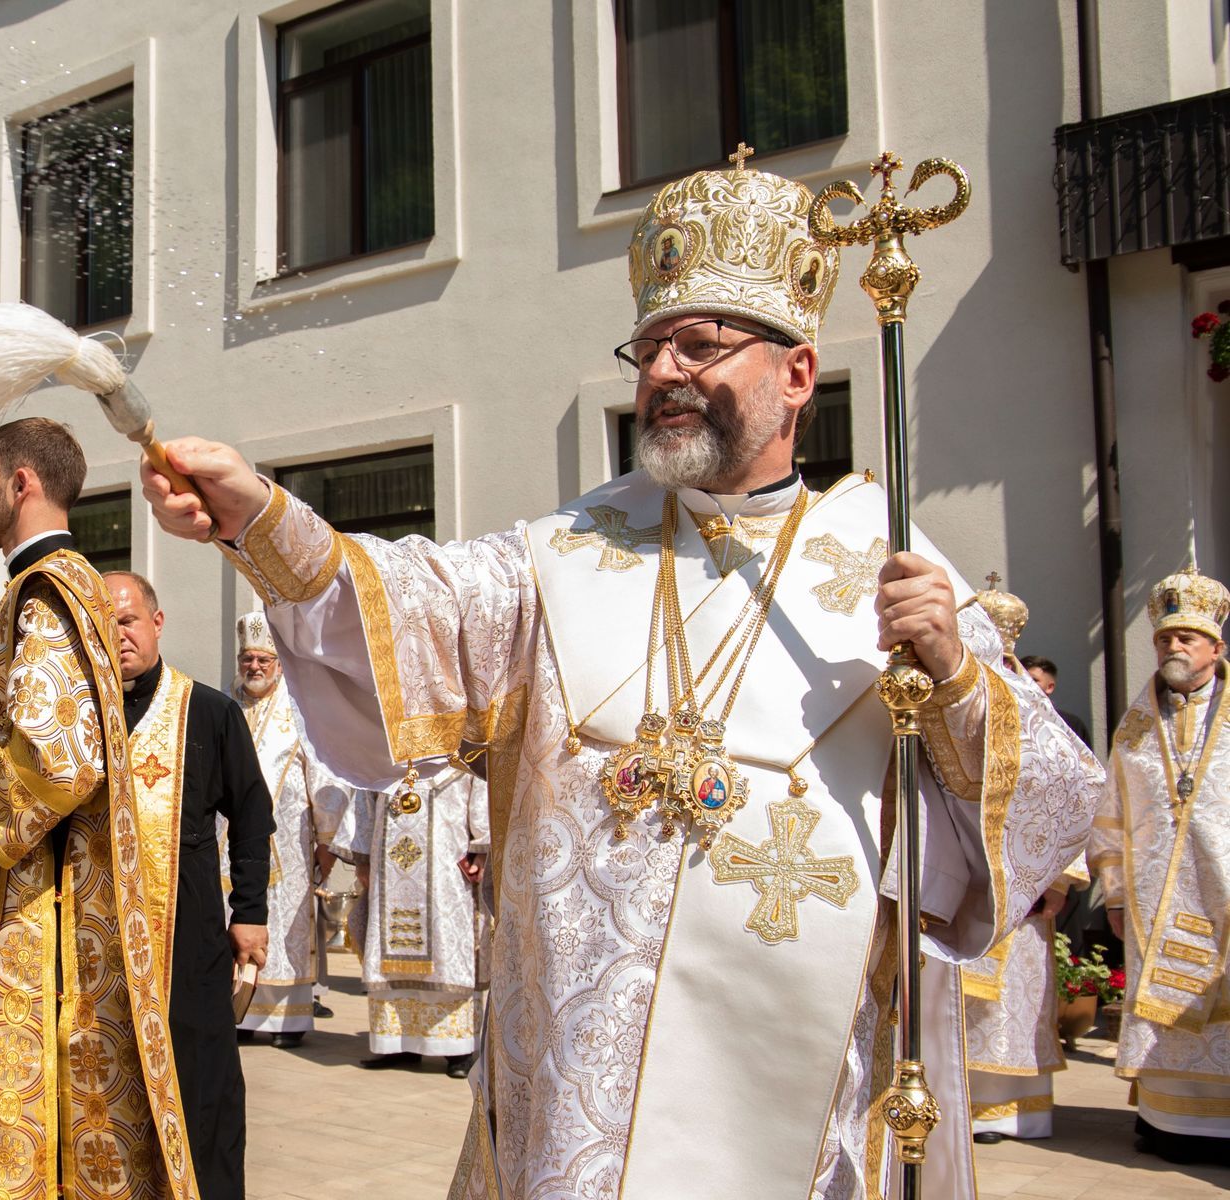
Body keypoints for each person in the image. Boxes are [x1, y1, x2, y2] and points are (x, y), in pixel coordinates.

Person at [139, 155, 1102, 1197]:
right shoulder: (570, 550)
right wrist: (262, 519)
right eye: (647, 348)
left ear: (795, 373)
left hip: (800, 1070)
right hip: (580, 1081)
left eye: (699, 342)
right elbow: (419, 603)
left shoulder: (890, 559)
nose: (664, 372)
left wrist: (957, 681)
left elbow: (1050, 803)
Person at [0, 415, 198, 1197]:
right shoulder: (44, 587)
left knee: (11, 1113)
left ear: (21, 483)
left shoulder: (49, 592)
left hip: (29, 919)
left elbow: (61, 765)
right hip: (21, 906)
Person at [109, 572, 275, 1197]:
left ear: (156, 622)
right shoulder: (77, 715)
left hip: (189, 932)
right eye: (105, 622)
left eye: (127, 619)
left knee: (201, 1078)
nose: (117, 633)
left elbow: (252, 813)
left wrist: (250, 912)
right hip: (97, 935)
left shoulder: (207, 709)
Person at [1089, 566, 1230, 1165]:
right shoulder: (1135, 726)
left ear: (1216, 648)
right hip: (1154, 894)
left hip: (1222, 887)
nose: (1173, 648)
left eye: (1186, 639)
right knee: (1163, 1011)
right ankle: (1168, 1124)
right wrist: (1114, 894)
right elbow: (1111, 814)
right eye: (1164, 639)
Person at [960, 578, 1097, 1143]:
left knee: (1015, 996)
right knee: (962, 1000)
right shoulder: (957, 691)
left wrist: (1062, 880)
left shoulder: (1034, 705)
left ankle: (1010, 1110)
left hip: (1026, 878)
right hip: (967, 870)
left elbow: (1073, 787)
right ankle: (958, 1102)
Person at [225, 610, 351, 1048]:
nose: (254, 667)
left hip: (290, 844)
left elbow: (327, 775)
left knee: (288, 927)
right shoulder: (227, 707)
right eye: (247, 660)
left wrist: (328, 838)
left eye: (263, 659)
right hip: (232, 845)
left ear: (278, 664)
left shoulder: (299, 711)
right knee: (236, 920)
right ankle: (239, 1011)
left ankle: (289, 1020)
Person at [339, 762, 490, 1079]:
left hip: (448, 867)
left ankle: (457, 1049)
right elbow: (364, 791)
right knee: (389, 951)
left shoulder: (461, 734)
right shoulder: (384, 742)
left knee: (448, 950)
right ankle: (397, 1043)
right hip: (389, 867)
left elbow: (481, 779)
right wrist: (362, 858)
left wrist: (482, 847)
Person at [1019, 654, 1093, 750]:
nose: (1026, 683)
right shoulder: (1005, 720)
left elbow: (1085, 762)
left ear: (1049, 687)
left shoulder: (1071, 725)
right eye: (1021, 678)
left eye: (1034, 680)